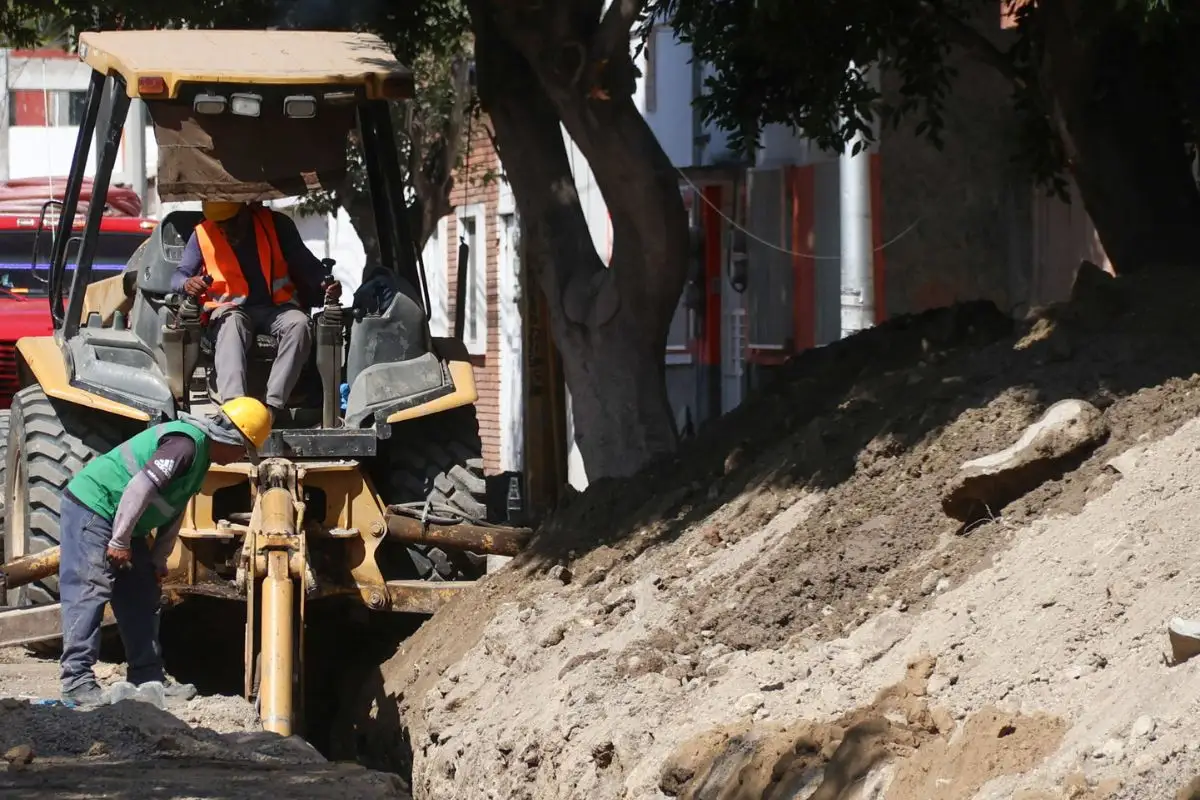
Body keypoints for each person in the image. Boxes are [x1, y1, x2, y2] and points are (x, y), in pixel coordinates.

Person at [58, 397, 273, 706]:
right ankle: (76, 681)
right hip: (95, 507)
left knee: (142, 591)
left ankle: (148, 678)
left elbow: (173, 507)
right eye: (244, 449)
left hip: (125, 520)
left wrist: (158, 559)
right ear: (232, 436)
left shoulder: (201, 459)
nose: (241, 456)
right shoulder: (185, 445)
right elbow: (139, 488)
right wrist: (119, 541)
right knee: (90, 588)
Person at [170, 201, 341, 421]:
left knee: (299, 324)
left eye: (231, 224)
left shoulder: (277, 225)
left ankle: (272, 407)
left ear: (245, 212)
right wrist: (186, 283)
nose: (226, 231)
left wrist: (325, 284)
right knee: (232, 324)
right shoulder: (202, 234)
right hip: (230, 311)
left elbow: (308, 265)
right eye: (220, 226)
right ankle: (234, 411)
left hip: (275, 309)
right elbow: (178, 276)